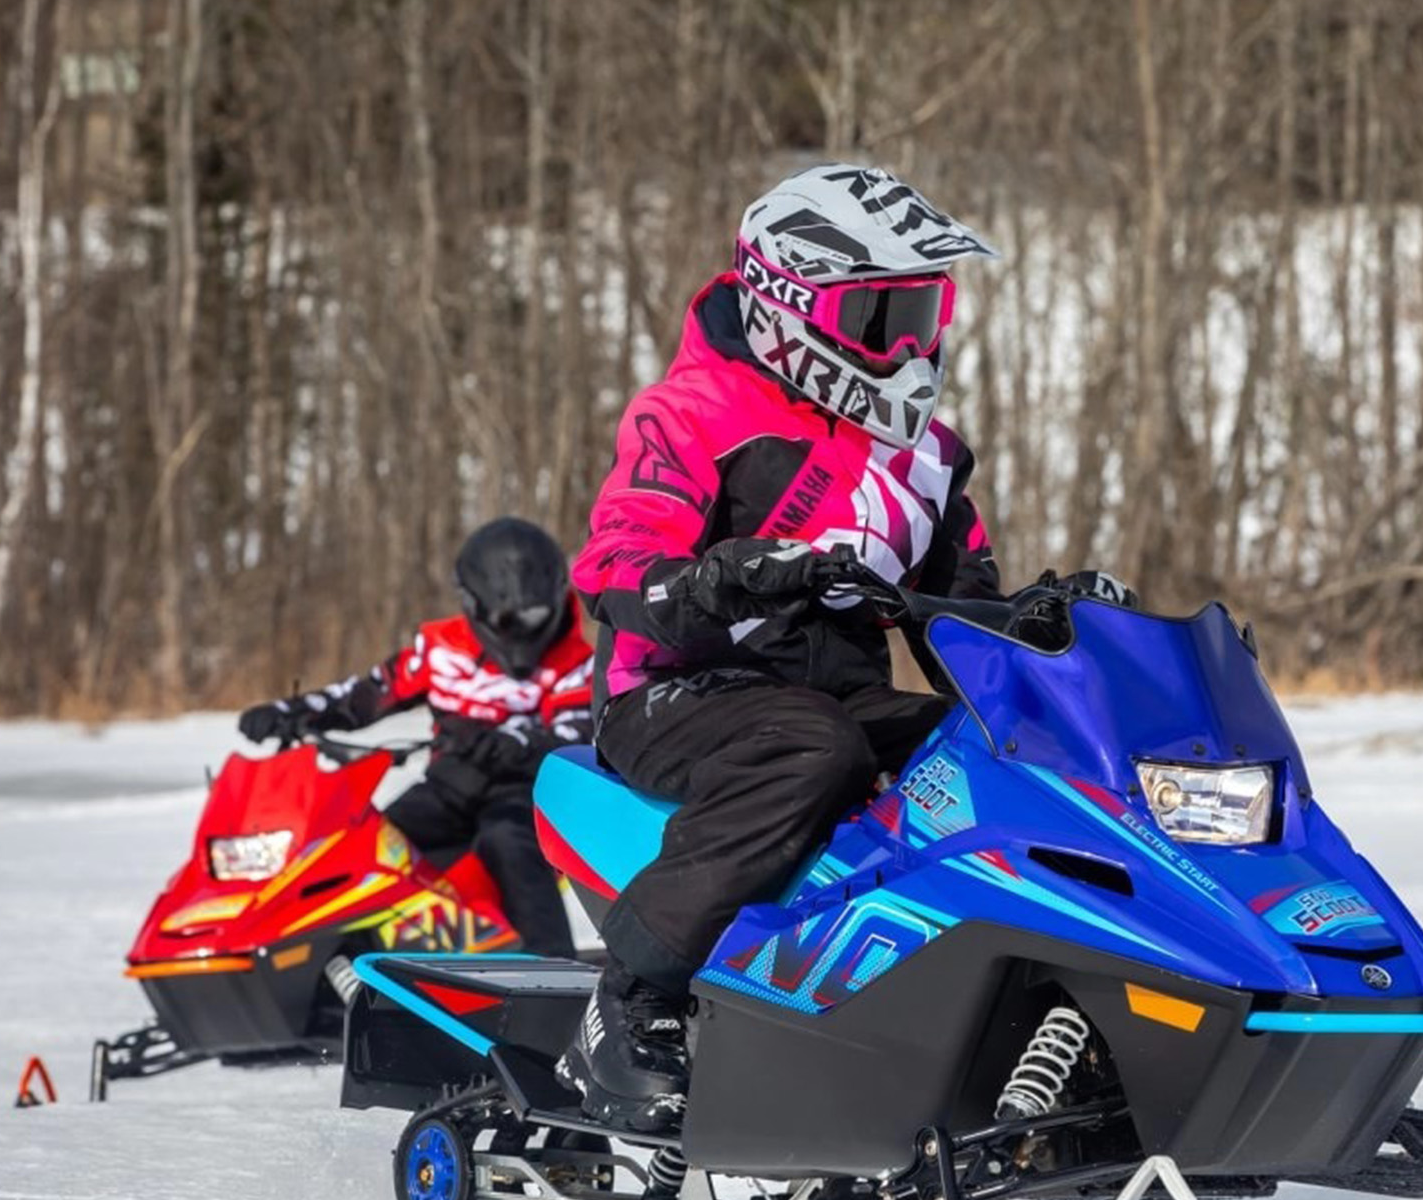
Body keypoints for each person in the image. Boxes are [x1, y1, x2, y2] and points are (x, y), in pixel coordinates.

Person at [558, 163, 1013, 1134]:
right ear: (791, 306)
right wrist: (737, 574)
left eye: (923, 313)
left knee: (989, 757)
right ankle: (631, 1000)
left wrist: (1066, 624)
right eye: (882, 316)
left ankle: (957, 1008)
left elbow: (966, 611)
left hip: (835, 698)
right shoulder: (691, 415)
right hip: (674, 693)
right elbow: (614, 565)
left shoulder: (926, 457)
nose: (908, 346)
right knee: (810, 747)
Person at [238, 517, 592, 958]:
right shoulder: (442, 648)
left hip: (528, 795)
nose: (520, 631)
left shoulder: (578, 663)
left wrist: (511, 745)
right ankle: (347, 964)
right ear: (474, 605)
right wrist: (294, 712)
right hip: (449, 785)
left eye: (534, 615)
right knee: (373, 844)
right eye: (505, 618)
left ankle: (553, 969)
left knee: (508, 841)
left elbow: (572, 735)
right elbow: (367, 694)